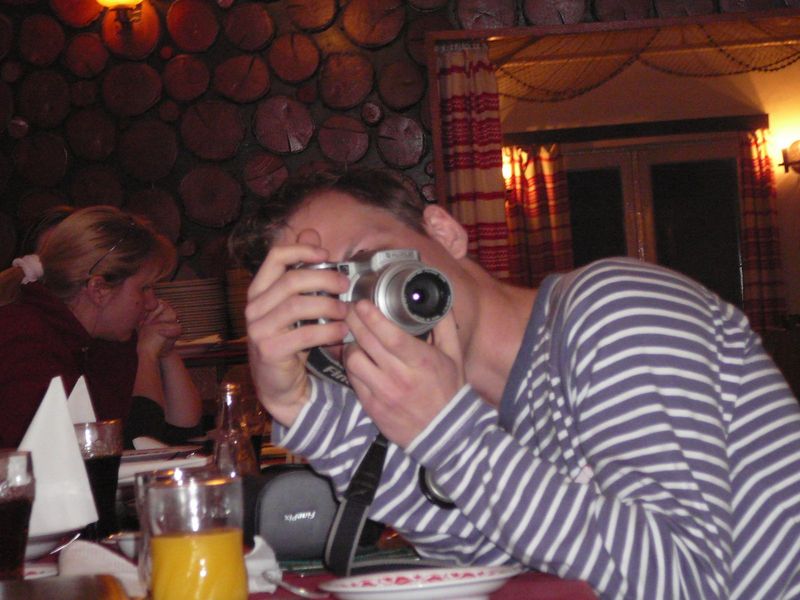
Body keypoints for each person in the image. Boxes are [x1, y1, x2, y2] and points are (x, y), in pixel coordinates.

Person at [230, 167, 800, 599]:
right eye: (323, 300)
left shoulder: (616, 307)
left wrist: (448, 435)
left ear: (445, 231)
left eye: (372, 264)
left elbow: (686, 584)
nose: (366, 307)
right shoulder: (467, 408)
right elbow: (490, 559)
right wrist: (296, 404)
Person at [0, 205, 203, 448]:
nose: (151, 303)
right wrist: (147, 354)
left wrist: (166, 353)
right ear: (99, 290)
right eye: (144, 288)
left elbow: (182, 431)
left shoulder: (100, 338)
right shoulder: (25, 340)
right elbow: (131, 446)